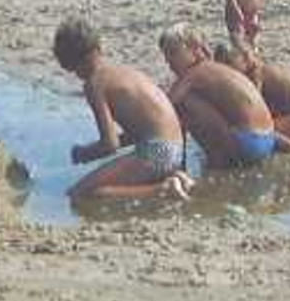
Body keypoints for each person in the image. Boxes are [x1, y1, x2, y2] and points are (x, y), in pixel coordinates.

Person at [51, 18, 193, 201]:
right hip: (177, 148)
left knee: (81, 194)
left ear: (72, 63)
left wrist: (84, 153)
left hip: (158, 152)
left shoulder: (95, 84)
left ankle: (163, 189)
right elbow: (139, 132)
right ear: (98, 48)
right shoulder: (123, 71)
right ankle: (178, 178)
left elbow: (110, 145)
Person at [158, 24, 289, 168]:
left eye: (172, 53)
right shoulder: (214, 68)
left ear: (195, 49)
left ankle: (211, 161)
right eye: (165, 55)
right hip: (268, 138)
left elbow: (167, 107)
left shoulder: (194, 73)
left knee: (184, 103)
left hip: (248, 144)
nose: (168, 61)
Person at [214, 42, 290, 149]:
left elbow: (254, 109)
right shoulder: (257, 68)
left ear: (243, 59)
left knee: (259, 133)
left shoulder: (256, 74)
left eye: (229, 63)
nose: (227, 72)